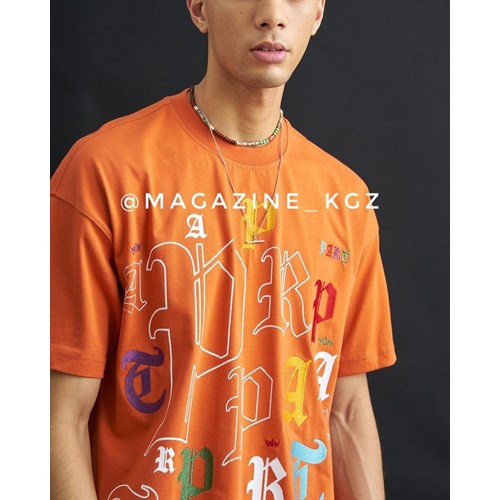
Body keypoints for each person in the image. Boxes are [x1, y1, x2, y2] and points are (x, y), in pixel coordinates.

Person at [50, 0, 396, 498]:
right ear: (198, 7)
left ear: (318, 14)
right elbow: (58, 414)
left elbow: (345, 408)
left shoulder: (345, 198)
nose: (272, 14)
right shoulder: (105, 173)